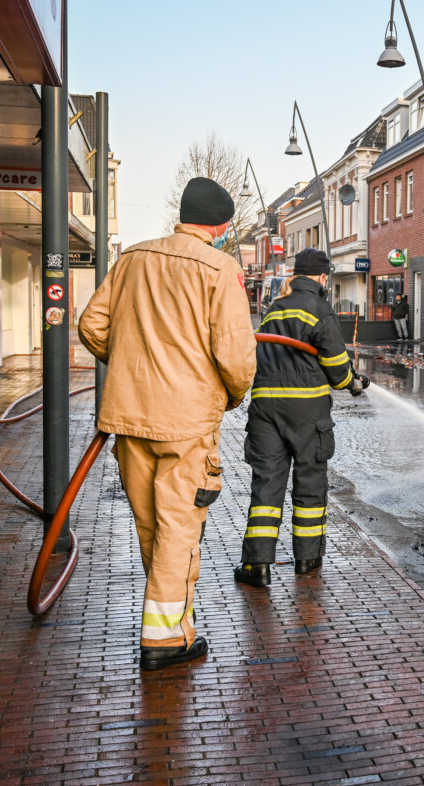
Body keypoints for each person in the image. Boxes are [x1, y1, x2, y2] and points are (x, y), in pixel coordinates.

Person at [79, 177, 256, 671]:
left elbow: (91, 325)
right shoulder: (220, 267)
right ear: (220, 225)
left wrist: (133, 364)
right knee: (179, 528)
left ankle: (174, 624)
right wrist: (233, 395)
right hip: (186, 421)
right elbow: (236, 354)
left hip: (129, 415)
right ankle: (163, 640)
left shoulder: (132, 257)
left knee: (151, 526)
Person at [234, 248, 370, 588]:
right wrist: (354, 383)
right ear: (323, 277)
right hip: (307, 411)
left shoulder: (273, 309)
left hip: (265, 409)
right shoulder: (321, 309)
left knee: (266, 486)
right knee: (309, 486)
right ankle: (307, 560)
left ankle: (257, 566)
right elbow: (338, 372)